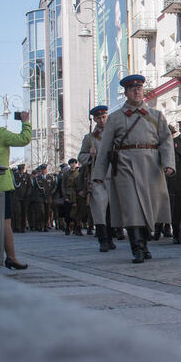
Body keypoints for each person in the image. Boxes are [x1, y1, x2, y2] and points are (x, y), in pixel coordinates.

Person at [92, 74, 175, 263]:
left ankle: (144, 243)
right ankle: (137, 247)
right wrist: (98, 174)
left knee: (150, 208)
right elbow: (105, 147)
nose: (137, 92)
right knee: (131, 207)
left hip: (151, 164)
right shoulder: (115, 118)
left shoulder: (156, 115)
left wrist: (168, 163)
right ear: (126, 93)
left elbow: (166, 141)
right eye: (132, 89)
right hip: (125, 163)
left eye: (139, 88)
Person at [0, 101, 32, 270]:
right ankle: (11, 257)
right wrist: (25, 122)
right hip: (1, 184)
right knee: (5, 222)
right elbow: (24, 139)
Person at [79, 105, 116, 252]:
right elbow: (81, 157)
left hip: (114, 175)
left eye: (104, 117)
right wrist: (90, 155)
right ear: (94, 119)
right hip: (98, 177)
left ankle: (111, 237)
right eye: (99, 118)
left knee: (112, 210)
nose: (102, 120)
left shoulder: (115, 133)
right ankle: (103, 240)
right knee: (100, 209)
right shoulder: (90, 138)